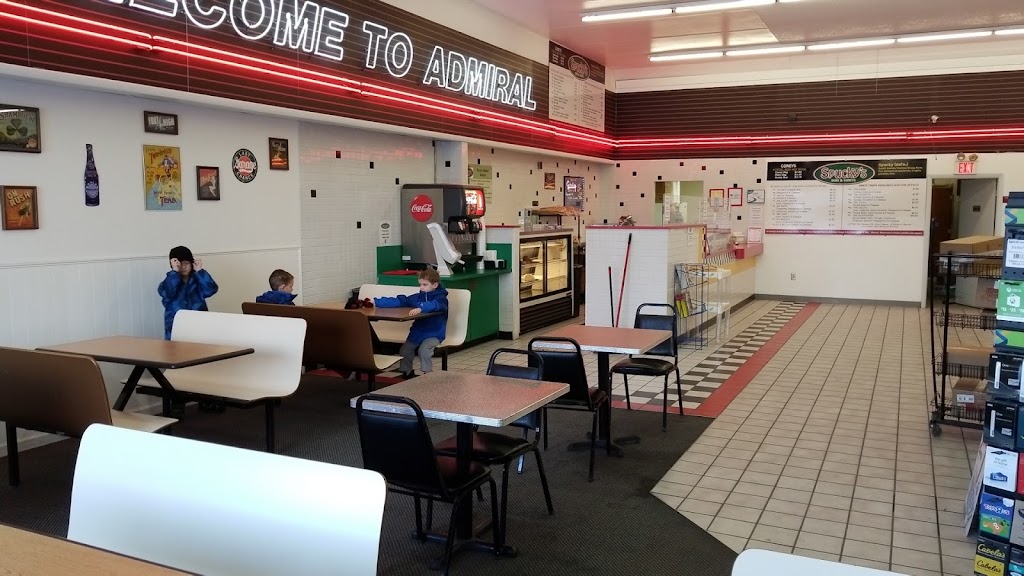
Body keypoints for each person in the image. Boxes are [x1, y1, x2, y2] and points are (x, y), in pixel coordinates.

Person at [373, 269, 448, 379]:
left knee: (424, 350)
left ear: (435, 285)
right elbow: (401, 301)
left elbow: (436, 305)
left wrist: (421, 308)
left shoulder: (441, 298)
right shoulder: (418, 297)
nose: (421, 287)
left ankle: (427, 373)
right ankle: (406, 372)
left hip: (434, 333)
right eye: (420, 284)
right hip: (418, 331)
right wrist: (376, 302)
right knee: (405, 350)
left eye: (425, 285)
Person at [158, 246, 218, 340]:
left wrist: (200, 271)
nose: (183, 266)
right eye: (179, 264)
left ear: (191, 263)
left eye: (186, 263)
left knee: (200, 346)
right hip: (175, 325)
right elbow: (167, 293)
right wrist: (174, 272)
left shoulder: (198, 279)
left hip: (199, 325)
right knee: (174, 348)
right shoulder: (169, 281)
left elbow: (211, 290)